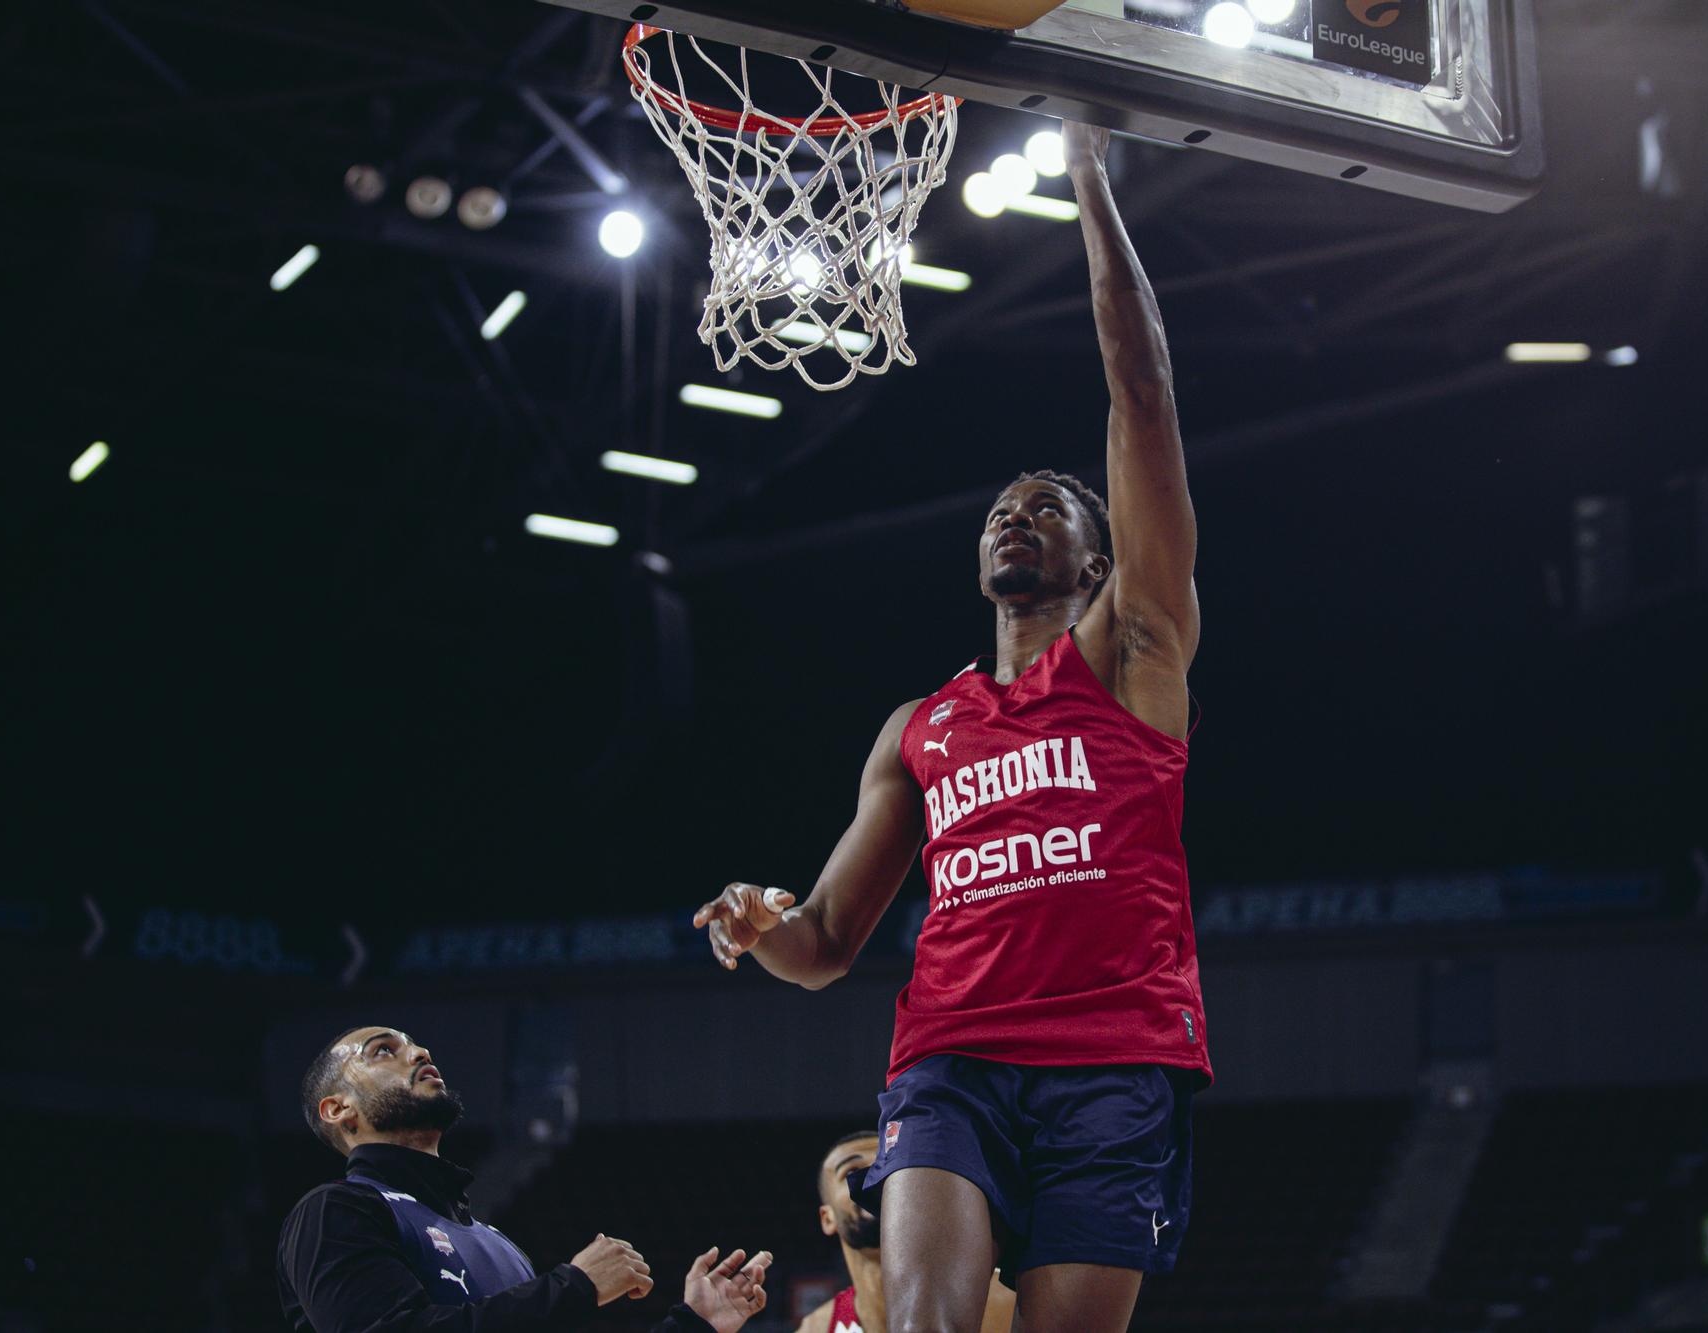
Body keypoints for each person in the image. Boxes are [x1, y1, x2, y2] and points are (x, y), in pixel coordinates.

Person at [694, 120, 1207, 1333]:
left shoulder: (1135, 653)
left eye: (1043, 511)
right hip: (951, 1057)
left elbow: (1141, 394)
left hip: (1113, 1060)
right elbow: (823, 941)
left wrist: (1086, 179)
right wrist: (757, 925)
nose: (1011, 522)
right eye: (996, 511)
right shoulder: (919, 726)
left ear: (1098, 559)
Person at [278, 1025, 772, 1333]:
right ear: (338, 1108)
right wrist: (573, 1287)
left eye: (417, 1046)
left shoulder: (499, 1245)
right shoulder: (335, 1211)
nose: (420, 1053)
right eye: (384, 1050)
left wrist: (694, 1323)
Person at [794, 1130, 1014, 1333]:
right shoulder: (818, 1327)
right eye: (852, 1171)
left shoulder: (1006, 1299)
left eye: (886, 1162)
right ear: (827, 1218)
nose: (876, 1179)